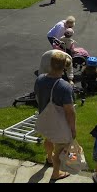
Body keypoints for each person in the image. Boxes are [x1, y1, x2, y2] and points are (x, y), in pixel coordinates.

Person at [37, 50, 78, 181]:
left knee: (48, 138)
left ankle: (49, 157)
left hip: (45, 117)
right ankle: (56, 173)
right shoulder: (65, 87)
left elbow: (38, 97)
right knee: (60, 148)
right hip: (59, 123)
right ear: (64, 66)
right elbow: (70, 112)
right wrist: (73, 129)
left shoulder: (40, 79)